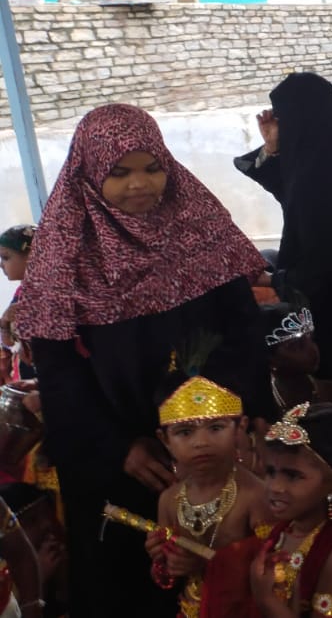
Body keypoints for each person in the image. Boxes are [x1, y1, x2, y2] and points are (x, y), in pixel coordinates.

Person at [12, 103, 270, 618]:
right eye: (119, 172)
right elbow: (60, 372)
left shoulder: (199, 225)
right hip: (125, 461)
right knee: (129, 583)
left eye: (153, 168)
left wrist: (229, 421)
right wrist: (117, 449)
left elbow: (243, 330)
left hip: (219, 442)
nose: (140, 184)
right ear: (89, 174)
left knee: (231, 576)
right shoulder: (63, 254)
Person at [236, 73, 332, 381]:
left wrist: (273, 279)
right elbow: (292, 196)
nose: (281, 126)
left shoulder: (324, 176)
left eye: (284, 119)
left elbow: (329, 263)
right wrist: (273, 149)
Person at [147, 376, 270, 617]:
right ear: (165, 440)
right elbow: (167, 578)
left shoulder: (256, 495)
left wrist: (207, 563)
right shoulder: (169, 500)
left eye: (215, 428)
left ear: (240, 428)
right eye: (185, 432)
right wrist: (163, 560)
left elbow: (276, 570)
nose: (201, 442)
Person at [250, 403, 332, 618]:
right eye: (271, 472)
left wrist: (267, 601)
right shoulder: (285, 530)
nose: (275, 487)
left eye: (292, 476)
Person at [258, 303, 332, 416]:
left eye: (311, 338)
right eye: (296, 346)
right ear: (271, 359)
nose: (312, 349)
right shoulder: (260, 407)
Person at [0, 224, 34, 382]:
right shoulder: (20, 293)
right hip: (28, 378)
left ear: (32, 256)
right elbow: (9, 343)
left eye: (6, 257)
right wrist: (4, 322)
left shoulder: (49, 294)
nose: (1, 264)